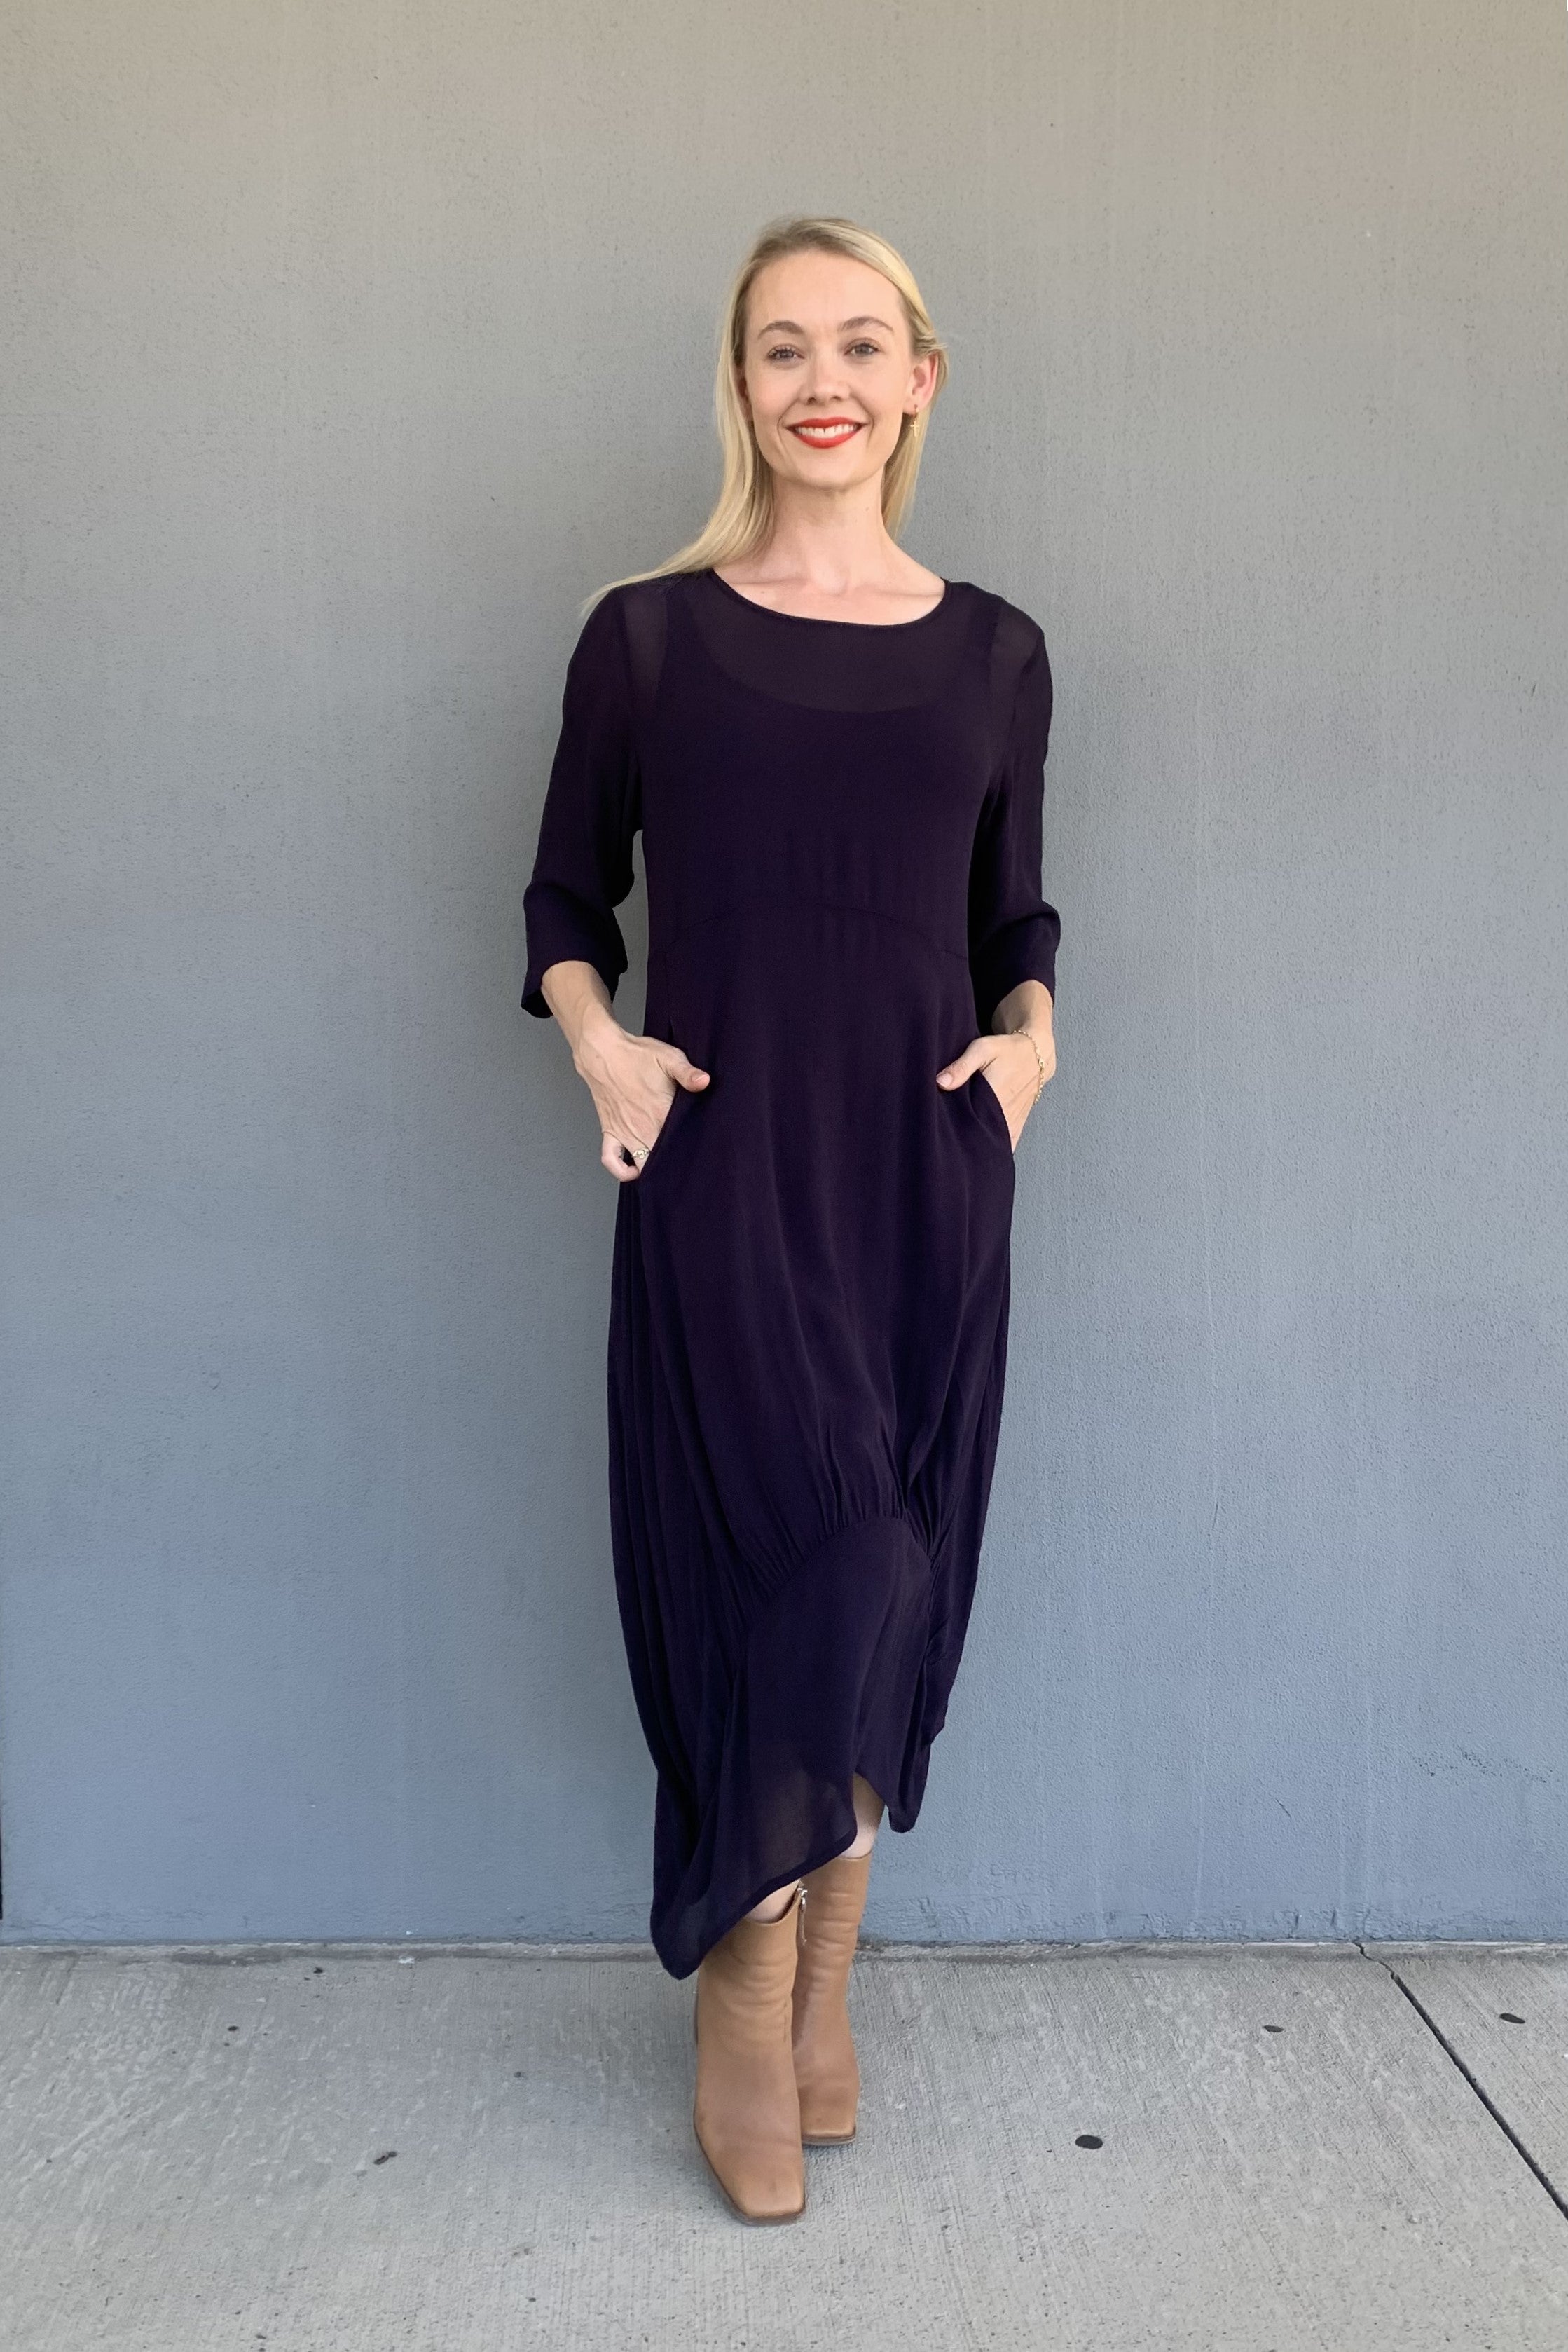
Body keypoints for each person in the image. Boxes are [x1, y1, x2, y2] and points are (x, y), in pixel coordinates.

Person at [520, 214, 1059, 2223]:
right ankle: (747, 1995)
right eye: (779, 348)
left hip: (924, 1181)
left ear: (921, 378)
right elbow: (563, 897)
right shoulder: (646, 639)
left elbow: (1016, 914)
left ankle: (831, 1979)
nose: (820, 381)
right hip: (728, 1171)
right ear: (740, 386)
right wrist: (604, 1047)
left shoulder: (997, 652)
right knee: (794, 1560)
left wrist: (1033, 1043)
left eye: (857, 343)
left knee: (891, 1568)